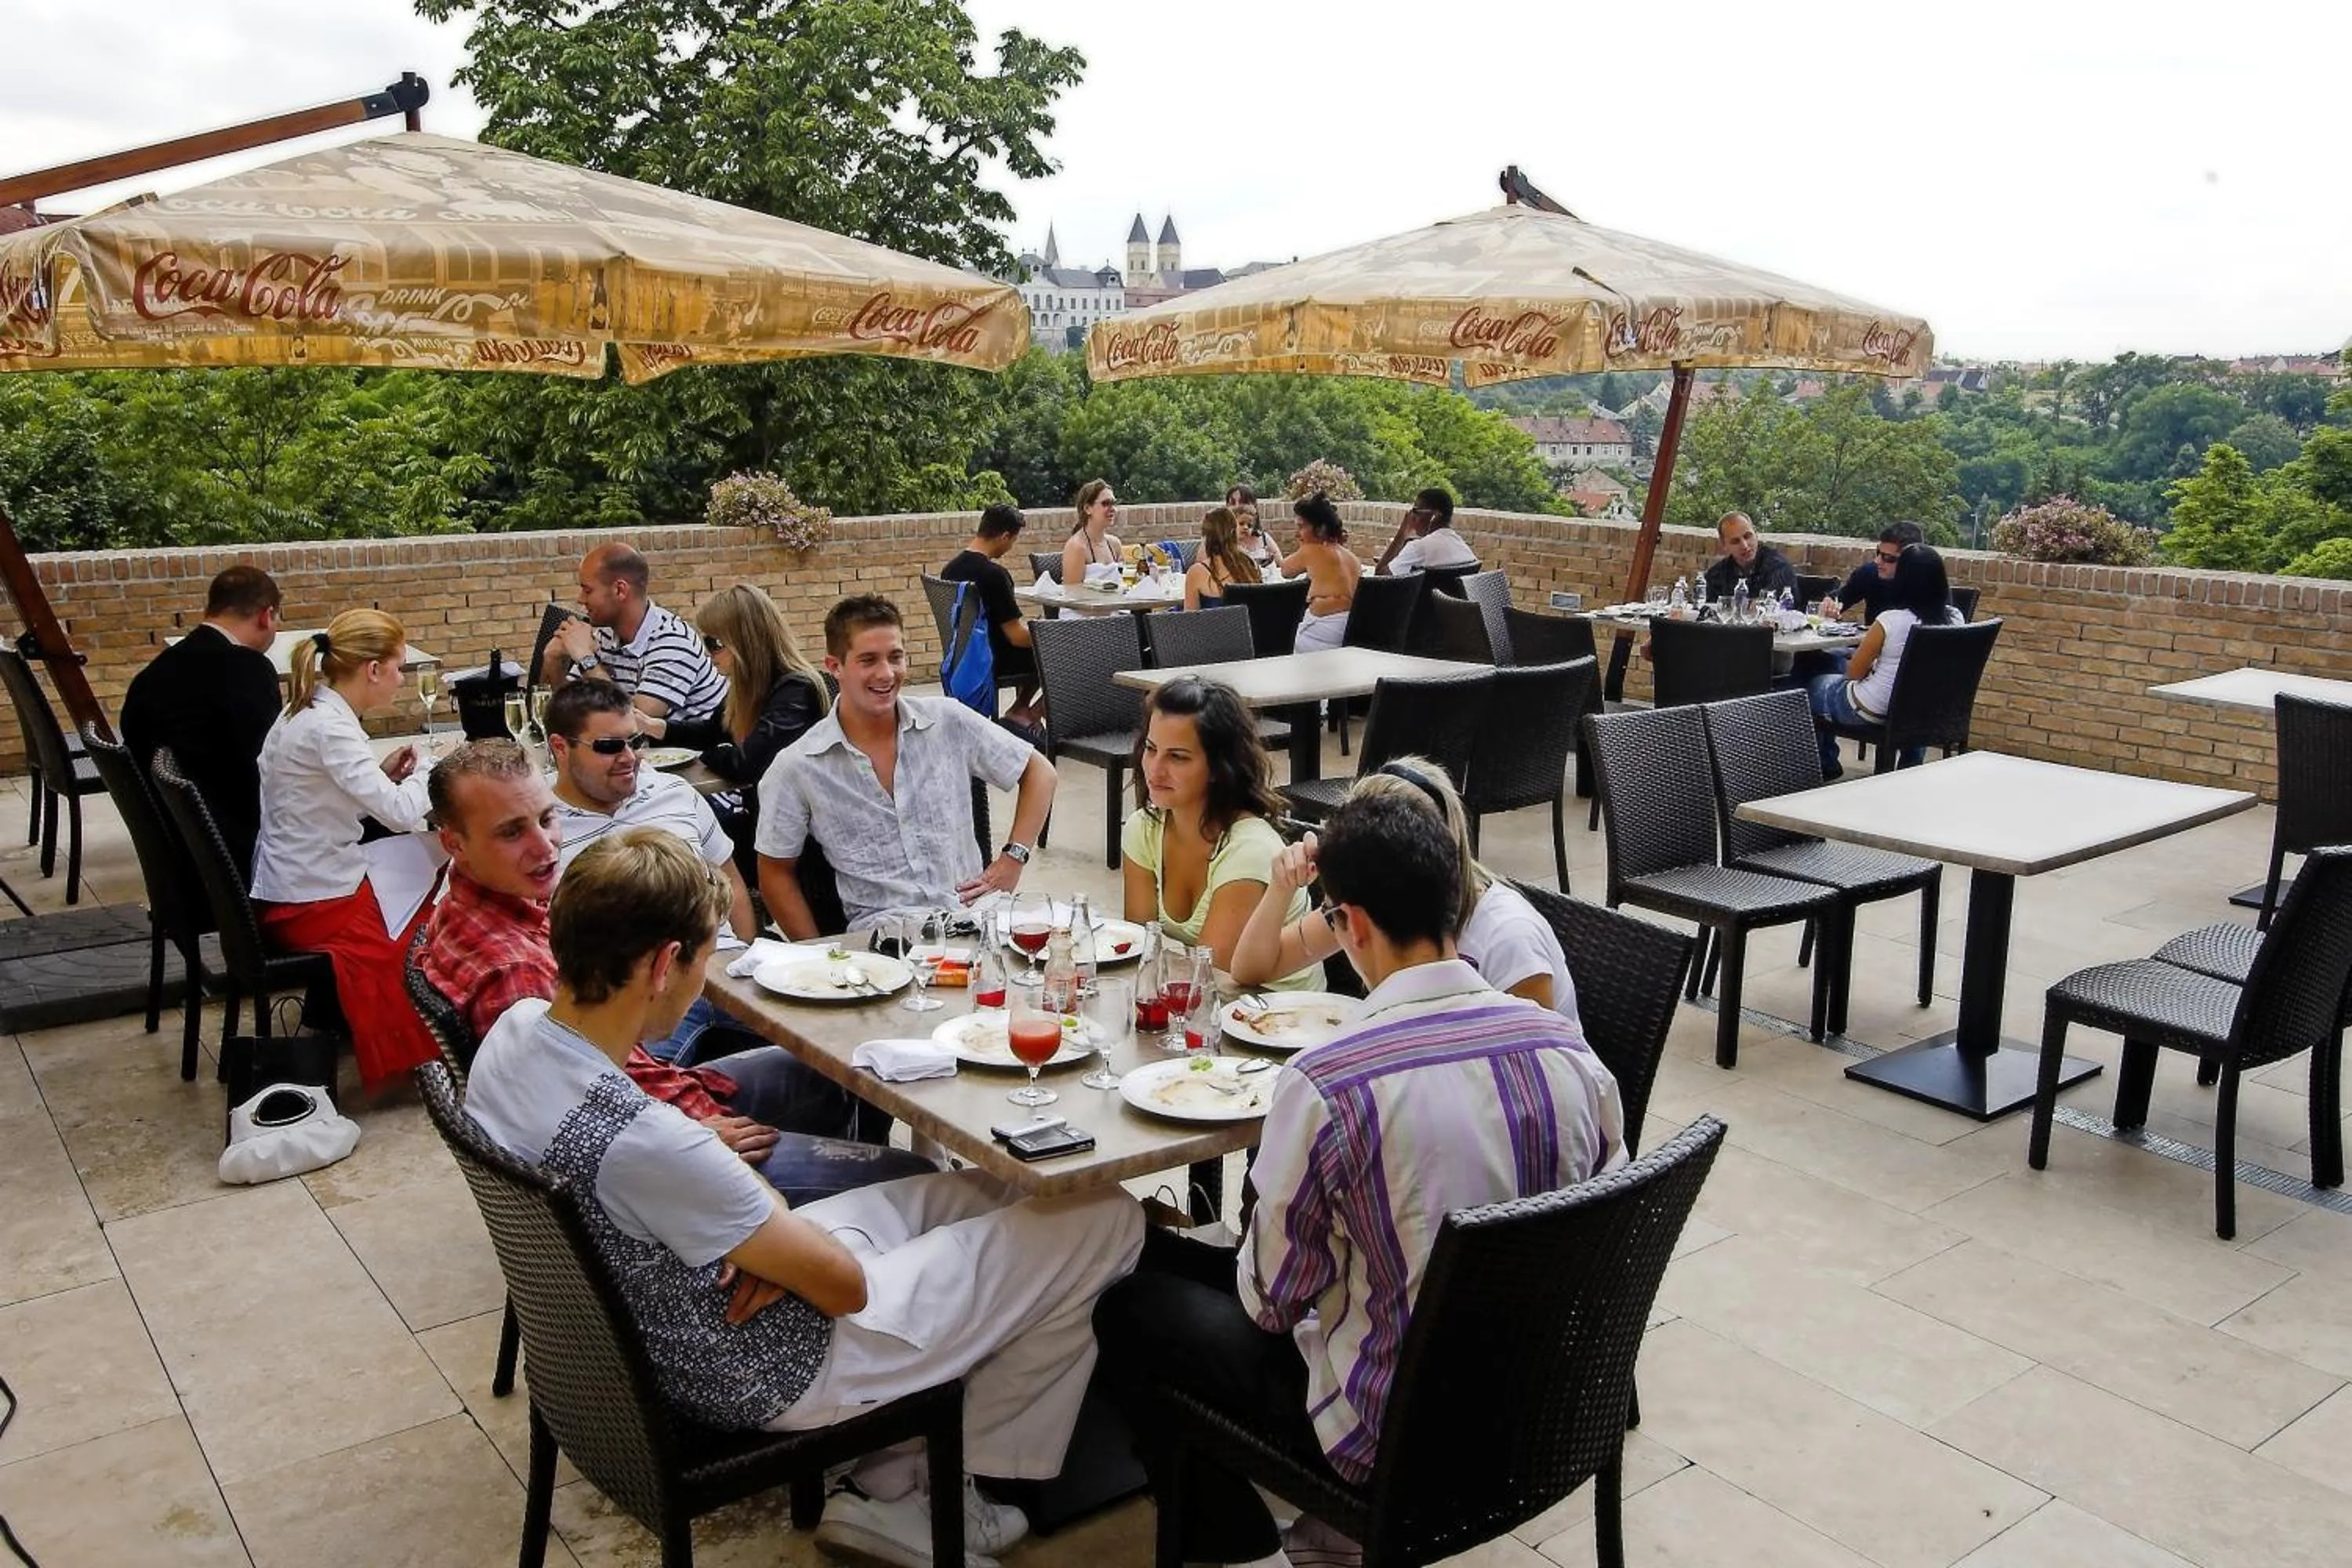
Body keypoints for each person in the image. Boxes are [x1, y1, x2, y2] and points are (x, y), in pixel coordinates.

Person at [463, 828, 1145, 1568]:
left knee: (981, 1193)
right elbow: (843, 1286)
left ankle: (895, 1475)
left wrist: (754, 1230)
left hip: (674, 1314)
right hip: (766, 1365)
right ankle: (937, 1496)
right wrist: (772, 1242)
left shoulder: (517, 1031)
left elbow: (705, 1191)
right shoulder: (651, 1142)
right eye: (705, 953)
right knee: (1102, 1216)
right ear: (665, 964)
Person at [1094, 793, 1625, 1568]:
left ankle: (1244, 1550)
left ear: (1353, 924)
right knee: (1175, 1258)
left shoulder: (1330, 1083)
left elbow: (1271, 1301)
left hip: (1396, 1435)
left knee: (1134, 1308)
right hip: (1544, 1409)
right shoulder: (1574, 1055)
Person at [418, 741, 930, 1205]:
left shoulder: (483, 908)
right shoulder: (512, 972)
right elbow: (582, 1123)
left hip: (660, 1099)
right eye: (512, 832)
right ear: (454, 843)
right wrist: (697, 1136)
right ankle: (840, 1232)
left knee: (840, 1066)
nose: (545, 846)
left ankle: (833, 1224)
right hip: (666, 1151)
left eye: (547, 818)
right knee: (915, 1178)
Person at [757, 595, 1056, 938]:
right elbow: (774, 872)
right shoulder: (799, 766)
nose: (886, 674)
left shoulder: (947, 721)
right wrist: (819, 958)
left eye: (895, 657)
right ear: (835, 666)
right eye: (868, 660)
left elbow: (1040, 772)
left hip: (976, 924)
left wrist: (1013, 858)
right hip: (886, 944)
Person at [1232, 755, 1580, 1024]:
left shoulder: (1507, 938)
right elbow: (1252, 970)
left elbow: (1533, 1070)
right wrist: (1280, 888)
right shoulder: (1379, 899)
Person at [249, 608, 440, 1090]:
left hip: (295, 879)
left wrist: (382, 776)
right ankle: (431, 1048)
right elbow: (400, 813)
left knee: (434, 869)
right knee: (441, 903)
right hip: (314, 899)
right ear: (372, 669)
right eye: (398, 667)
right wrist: (428, 774)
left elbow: (321, 801)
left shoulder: (308, 708)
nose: (400, 678)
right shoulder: (330, 726)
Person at [1121, 677, 1319, 989]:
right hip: (1198, 1011)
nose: (1155, 770)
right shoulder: (1143, 829)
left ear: (1218, 767)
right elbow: (1139, 952)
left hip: (1271, 1019)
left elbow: (1210, 976)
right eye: (1151, 748)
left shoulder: (1249, 849)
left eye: (1178, 757)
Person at [119, 564, 284, 878]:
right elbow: (272, 769)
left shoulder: (152, 675)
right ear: (266, 615)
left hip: (180, 849)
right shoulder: (246, 669)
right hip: (236, 856)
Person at [691, 584, 833, 867]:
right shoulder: (749, 687)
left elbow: (749, 763)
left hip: (803, 839)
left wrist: (707, 755)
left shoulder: (795, 689)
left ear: (744, 642)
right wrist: (654, 727)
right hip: (765, 819)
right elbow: (709, 731)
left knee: (696, 838)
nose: (708, 654)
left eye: (713, 643)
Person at [543, 542, 729, 742]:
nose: (580, 599)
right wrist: (552, 660)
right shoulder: (604, 634)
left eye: (587, 590)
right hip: (639, 759)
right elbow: (567, 712)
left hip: (696, 765)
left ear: (620, 590)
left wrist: (587, 659)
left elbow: (635, 724)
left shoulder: (672, 641)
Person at [1806, 544, 1965, 779]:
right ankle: (1908, 772)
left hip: (1873, 708)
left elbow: (1854, 674)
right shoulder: (1955, 617)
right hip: (1923, 708)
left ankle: (1824, 763)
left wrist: (1869, 663)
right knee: (1914, 698)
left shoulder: (1890, 621)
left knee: (1813, 684)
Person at [939, 503, 1042, 724]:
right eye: (1013, 541)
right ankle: (1024, 712)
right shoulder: (994, 575)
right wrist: (1047, 634)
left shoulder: (950, 569)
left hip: (962, 655)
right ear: (1005, 536)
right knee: (1058, 654)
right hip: (994, 659)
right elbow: (1016, 636)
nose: (1011, 547)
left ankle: (1020, 711)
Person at [1283, 492, 1363, 653]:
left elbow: (1286, 570)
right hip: (1353, 629)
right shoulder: (1353, 558)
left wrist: (1303, 547)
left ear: (1321, 529)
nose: (1298, 534)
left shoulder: (1310, 550)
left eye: (1302, 527)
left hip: (1322, 633)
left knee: (1283, 636)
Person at [1828, 521, 1926, 625]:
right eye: (1878, 553)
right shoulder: (1869, 573)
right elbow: (1841, 598)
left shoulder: (1931, 585)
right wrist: (1829, 604)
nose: (1878, 561)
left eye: (1888, 557)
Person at [1374, 487, 1479, 576]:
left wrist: (1402, 534)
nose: (1412, 516)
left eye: (1416, 511)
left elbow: (1380, 576)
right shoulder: (1460, 544)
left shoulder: (1419, 547)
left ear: (1435, 516)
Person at [1699, 510, 1798, 605]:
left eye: (1748, 536)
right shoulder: (1716, 575)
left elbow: (1767, 606)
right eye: (1735, 541)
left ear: (1756, 534)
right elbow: (1708, 611)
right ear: (1724, 546)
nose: (1745, 546)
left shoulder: (1778, 566)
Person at [1183, 506, 1264, 612]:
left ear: (1206, 536)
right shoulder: (1249, 563)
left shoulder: (1197, 572)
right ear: (1235, 532)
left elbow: (1189, 620)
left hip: (1213, 627)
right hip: (1248, 627)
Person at [1060, 478, 1123, 587]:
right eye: (1106, 503)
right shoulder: (1077, 547)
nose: (1112, 509)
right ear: (1088, 508)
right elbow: (1071, 593)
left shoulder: (1115, 544)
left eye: (1114, 503)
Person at [1225, 484, 1276, 568]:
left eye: (1243, 502)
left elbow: (1282, 567)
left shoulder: (1264, 539)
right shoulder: (1218, 539)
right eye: (1233, 503)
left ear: (1255, 506)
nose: (1237, 506)